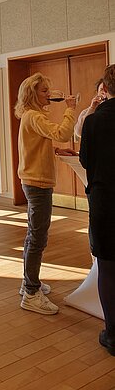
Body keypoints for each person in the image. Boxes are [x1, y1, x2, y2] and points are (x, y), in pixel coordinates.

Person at [15, 72, 76, 314]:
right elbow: (62, 132)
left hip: (34, 180)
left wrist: (59, 150)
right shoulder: (33, 116)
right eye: (43, 91)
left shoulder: (32, 117)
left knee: (34, 235)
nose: (48, 95)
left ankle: (29, 283)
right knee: (38, 238)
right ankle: (31, 293)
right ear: (32, 94)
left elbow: (42, 143)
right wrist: (71, 109)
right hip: (37, 183)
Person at [79, 64, 115, 356]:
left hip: (105, 202)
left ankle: (113, 334)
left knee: (108, 267)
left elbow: (86, 160)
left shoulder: (94, 122)